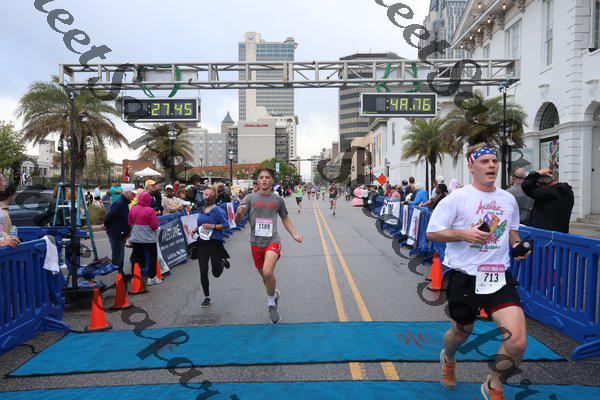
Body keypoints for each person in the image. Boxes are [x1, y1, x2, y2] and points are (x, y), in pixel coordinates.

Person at [426, 145, 531, 399]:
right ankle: (449, 357)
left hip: (498, 276)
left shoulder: (508, 199)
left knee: (517, 341)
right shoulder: (456, 198)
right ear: (471, 166)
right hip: (464, 276)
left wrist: (518, 247)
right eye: (484, 161)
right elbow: (432, 232)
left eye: (494, 160)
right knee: (461, 332)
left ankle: (494, 384)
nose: (492, 165)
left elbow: (512, 233)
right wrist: (465, 234)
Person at [234, 168, 302, 324]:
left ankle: (271, 304)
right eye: (261, 177)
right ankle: (274, 294)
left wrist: (294, 234)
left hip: (272, 240)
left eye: (267, 177)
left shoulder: (278, 199)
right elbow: (237, 221)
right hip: (255, 243)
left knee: (267, 271)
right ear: (258, 181)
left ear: (272, 181)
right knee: (265, 277)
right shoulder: (249, 198)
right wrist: (238, 213)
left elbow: (285, 218)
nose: (264, 180)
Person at [192, 186, 231, 307]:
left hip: (214, 243)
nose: (207, 197)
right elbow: (201, 224)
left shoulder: (218, 211)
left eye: (210, 195)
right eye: (206, 195)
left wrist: (213, 226)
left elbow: (226, 225)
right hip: (202, 243)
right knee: (203, 271)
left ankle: (223, 262)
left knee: (216, 273)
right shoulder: (201, 209)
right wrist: (195, 230)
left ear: (214, 197)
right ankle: (207, 297)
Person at [522, 168, 574, 233]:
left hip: (543, 234)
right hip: (560, 233)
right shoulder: (567, 191)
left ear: (542, 184)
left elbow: (526, 185)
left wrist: (538, 173)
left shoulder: (549, 193)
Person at [128, 191, 161, 286]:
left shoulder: (133, 209)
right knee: (152, 258)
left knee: (136, 258)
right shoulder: (150, 210)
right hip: (149, 239)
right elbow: (154, 226)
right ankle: (151, 278)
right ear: (149, 200)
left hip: (136, 238)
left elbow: (129, 222)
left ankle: (135, 278)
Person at [102, 189, 135, 278]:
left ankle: (120, 274)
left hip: (120, 233)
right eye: (132, 194)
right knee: (118, 255)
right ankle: (119, 276)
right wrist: (107, 227)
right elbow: (109, 217)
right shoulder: (119, 203)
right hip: (116, 233)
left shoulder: (124, 202)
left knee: (120, 254)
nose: (134, 196)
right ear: (126, 193)